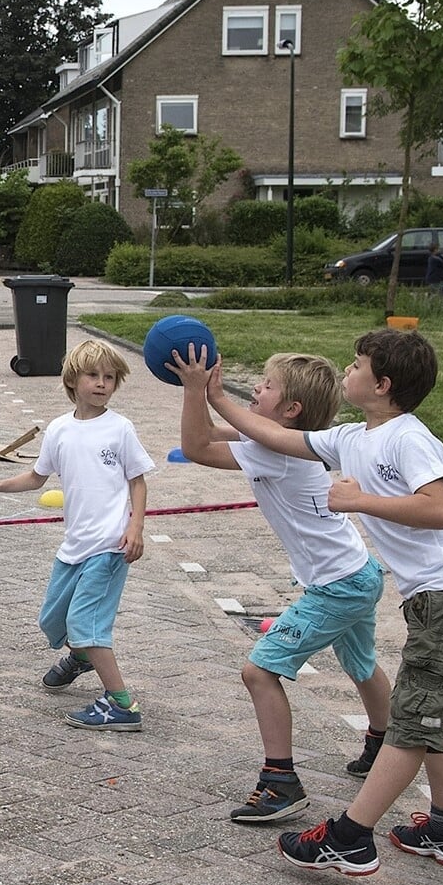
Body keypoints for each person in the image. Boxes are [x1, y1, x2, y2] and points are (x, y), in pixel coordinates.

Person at [208, 329, 443, 875]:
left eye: (358, 363)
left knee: (414, 722)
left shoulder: (407, 438)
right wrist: (215, 395)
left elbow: (438, 509)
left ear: (382, 384)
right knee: (434, 717)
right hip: (439, 598)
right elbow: (279, 439)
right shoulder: (351, 436)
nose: (348, 368)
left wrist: (357, 500)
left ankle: (349, 837)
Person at [171, 349, 394, 822]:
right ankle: (383, 741)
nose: (256, 388)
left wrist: (199, 392)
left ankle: (281, 782)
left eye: (267, 385)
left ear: (290, 410)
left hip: (339, 586)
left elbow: (196, 448)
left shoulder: (275, 451)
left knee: (259, 671)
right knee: (362, 663)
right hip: (359, 573)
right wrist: (201, 398)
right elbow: (206, 434)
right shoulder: (284, 441)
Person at [0, 340, 153, 732]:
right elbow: (36, 477)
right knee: (54, 621)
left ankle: (122, 704)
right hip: (74, 547)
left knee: (87, 623)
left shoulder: (120, 429)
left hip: (109, 546)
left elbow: (138, 481)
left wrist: (135, 526)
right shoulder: (59, 429)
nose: (102, 384)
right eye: (93, 375)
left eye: (110, 377)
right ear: (72, 380)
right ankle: (83, 657)